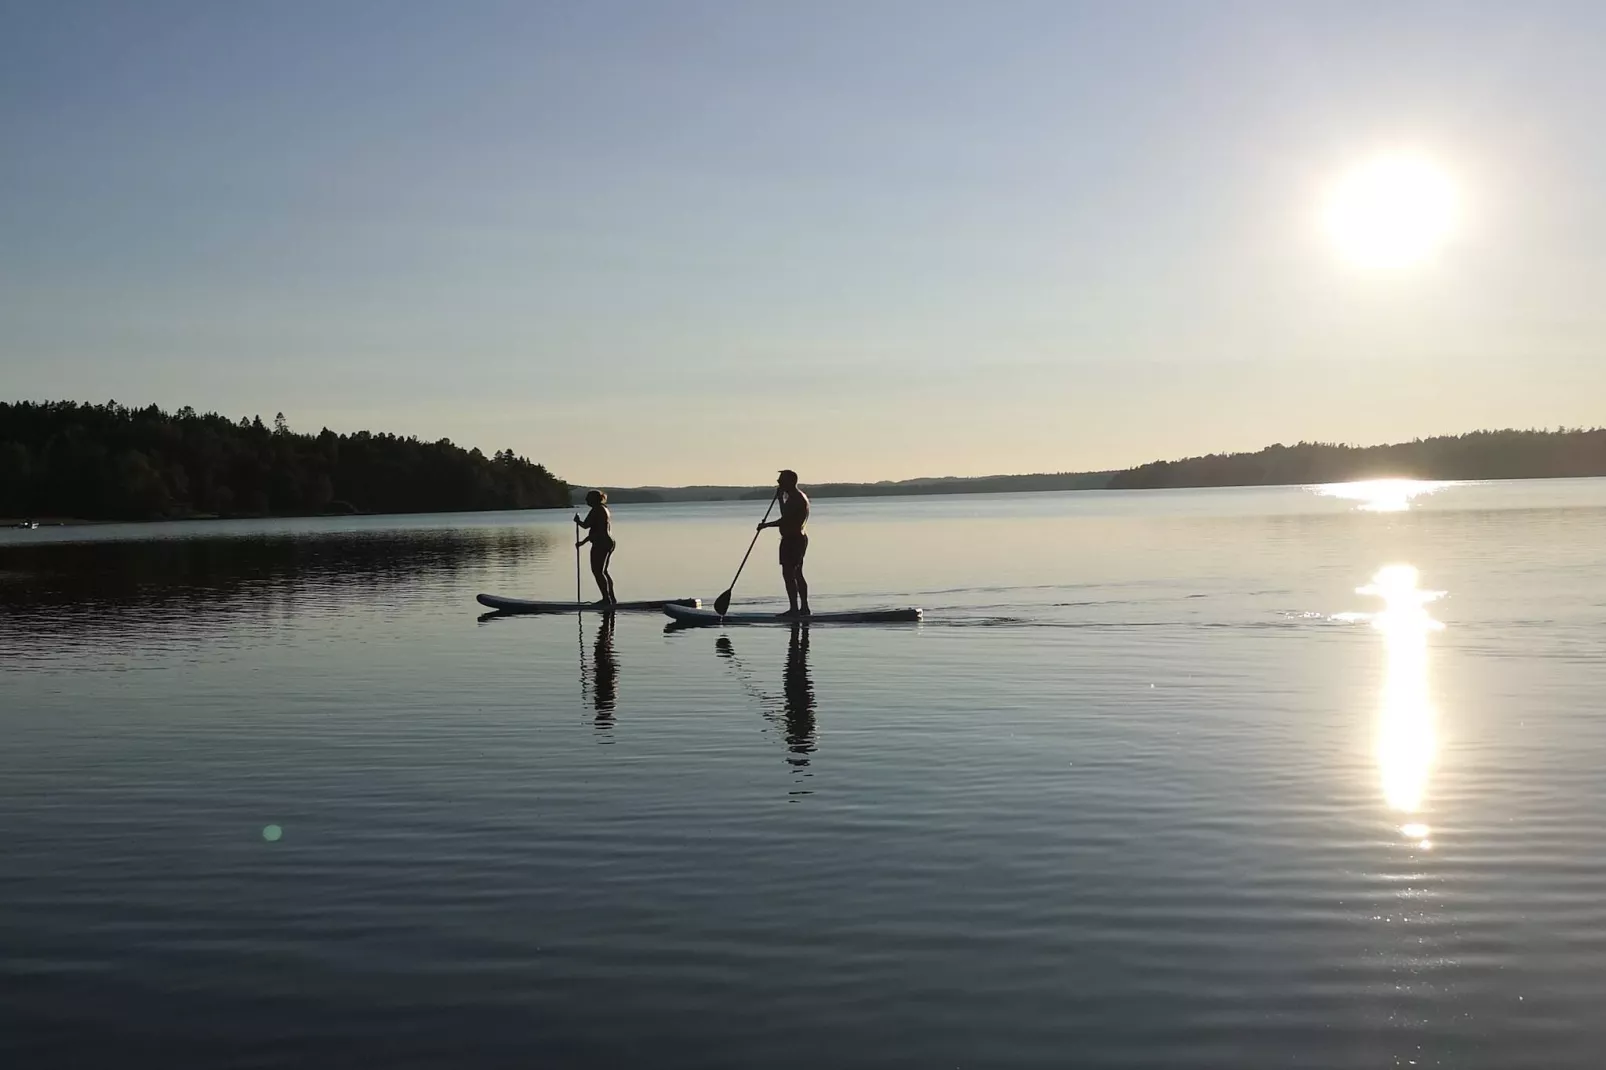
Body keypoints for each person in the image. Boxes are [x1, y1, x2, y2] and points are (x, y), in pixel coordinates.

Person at [757, 469, 811, 616]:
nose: (778, 482)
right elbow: (786, 515)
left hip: (794, 540)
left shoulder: (797, 498)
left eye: (781, 480)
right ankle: (802, 608)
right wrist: (781, 499)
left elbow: (785, 519)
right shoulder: (793, 497)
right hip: (793, 539)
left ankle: (797, 609)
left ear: (790, 481)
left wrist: (766, 525)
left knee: (790, 574)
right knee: (796, 573)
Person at [574, 490, 617, 605]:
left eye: (588, 498)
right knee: (603, 571)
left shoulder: (596, 510)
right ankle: (610, 598)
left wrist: (578, 521)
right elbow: (596, 531)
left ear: (594, 499)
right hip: (608, 542)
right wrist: (583, 542)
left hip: (601, 543)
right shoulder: (604, 508)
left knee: (598, 572)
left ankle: (606, 599)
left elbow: (586, 525)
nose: (586, 500)